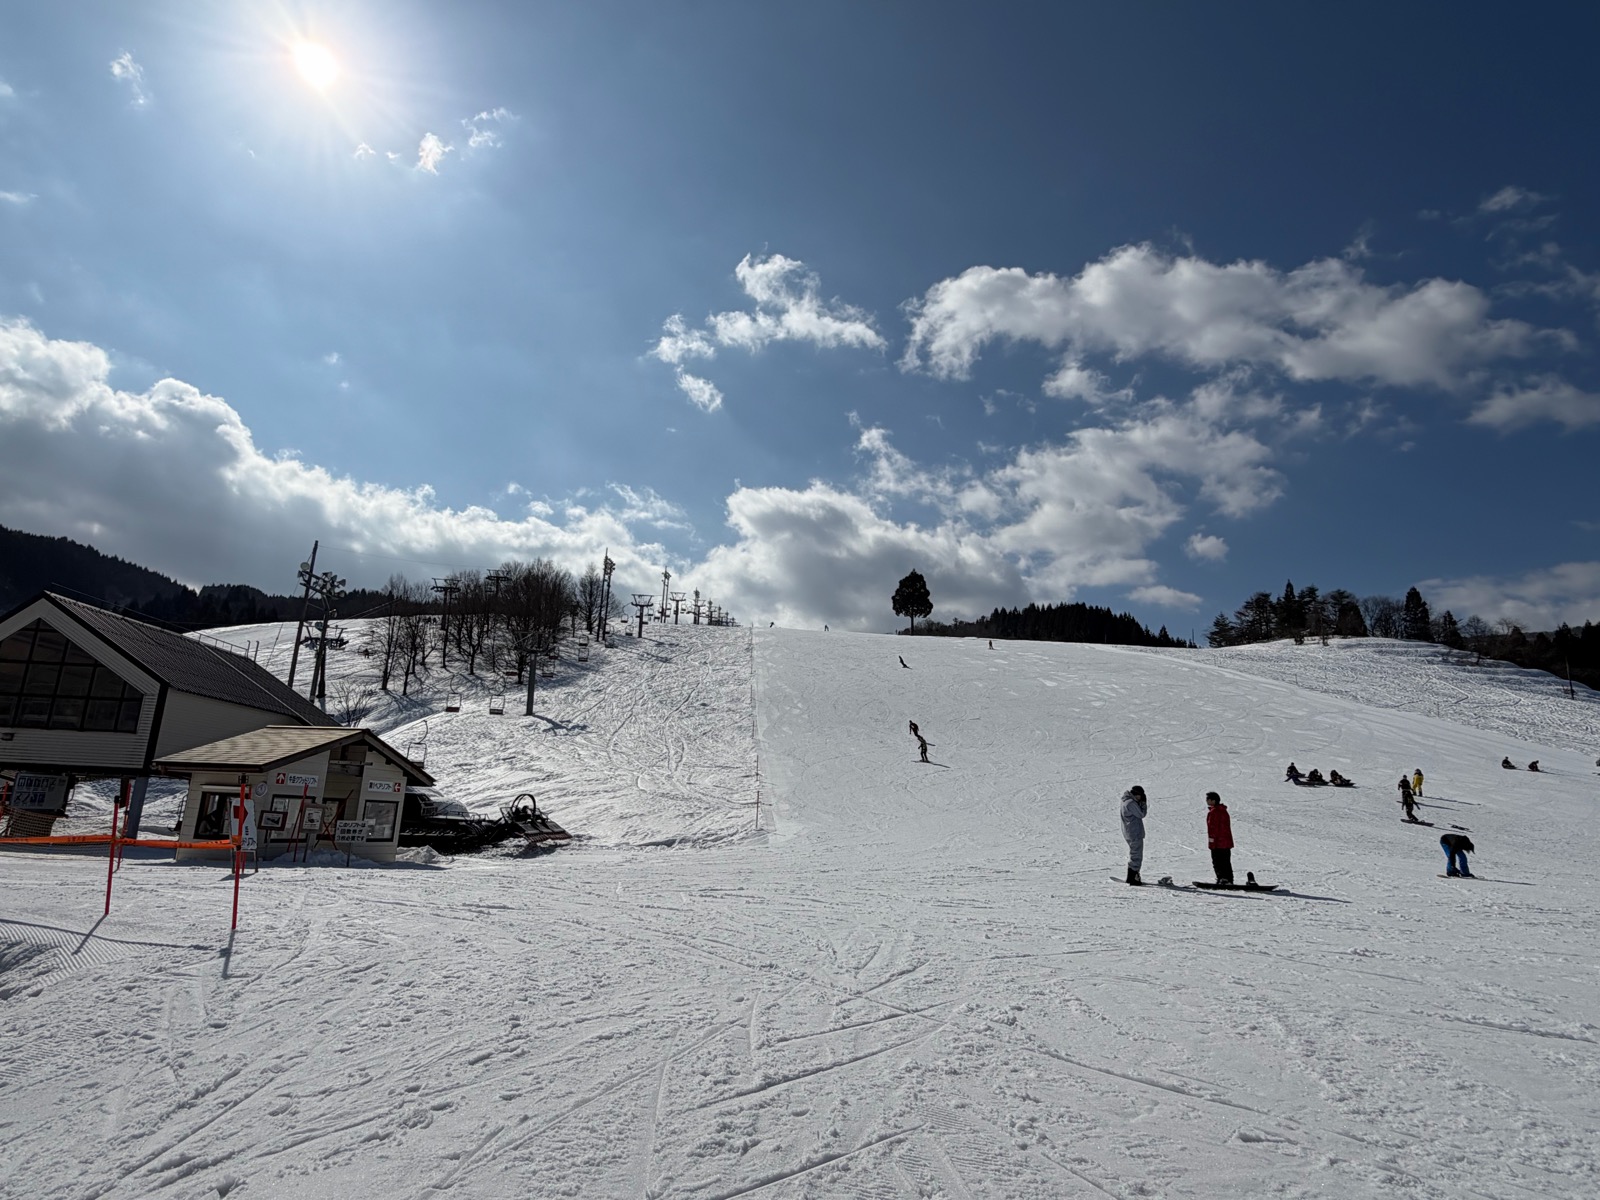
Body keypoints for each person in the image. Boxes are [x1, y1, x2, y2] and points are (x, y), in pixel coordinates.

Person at [1120, 785, 1148, 886]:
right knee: (1136, 855)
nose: (1140, 798)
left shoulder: (1126, 801)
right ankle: (1133, 877)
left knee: (1134, 853)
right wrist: (1143, 804)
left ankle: (1131, 876)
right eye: (1140, 796)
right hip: (1134, 832)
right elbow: (1141, 814)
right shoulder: (1131, 803)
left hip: (1130, 831)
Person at [1205, 792, 1234, 885]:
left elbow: (1213, 829)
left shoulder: (1214, 812)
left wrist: (1212, 843)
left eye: (1208, 799)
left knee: (1218, 861)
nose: (1206, 801)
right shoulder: (1223, 811)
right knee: (1226, 861)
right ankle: (1228, 879)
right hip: (1226, 842)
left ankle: (1222, 878)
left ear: (1213, 800)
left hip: (1218, 842)